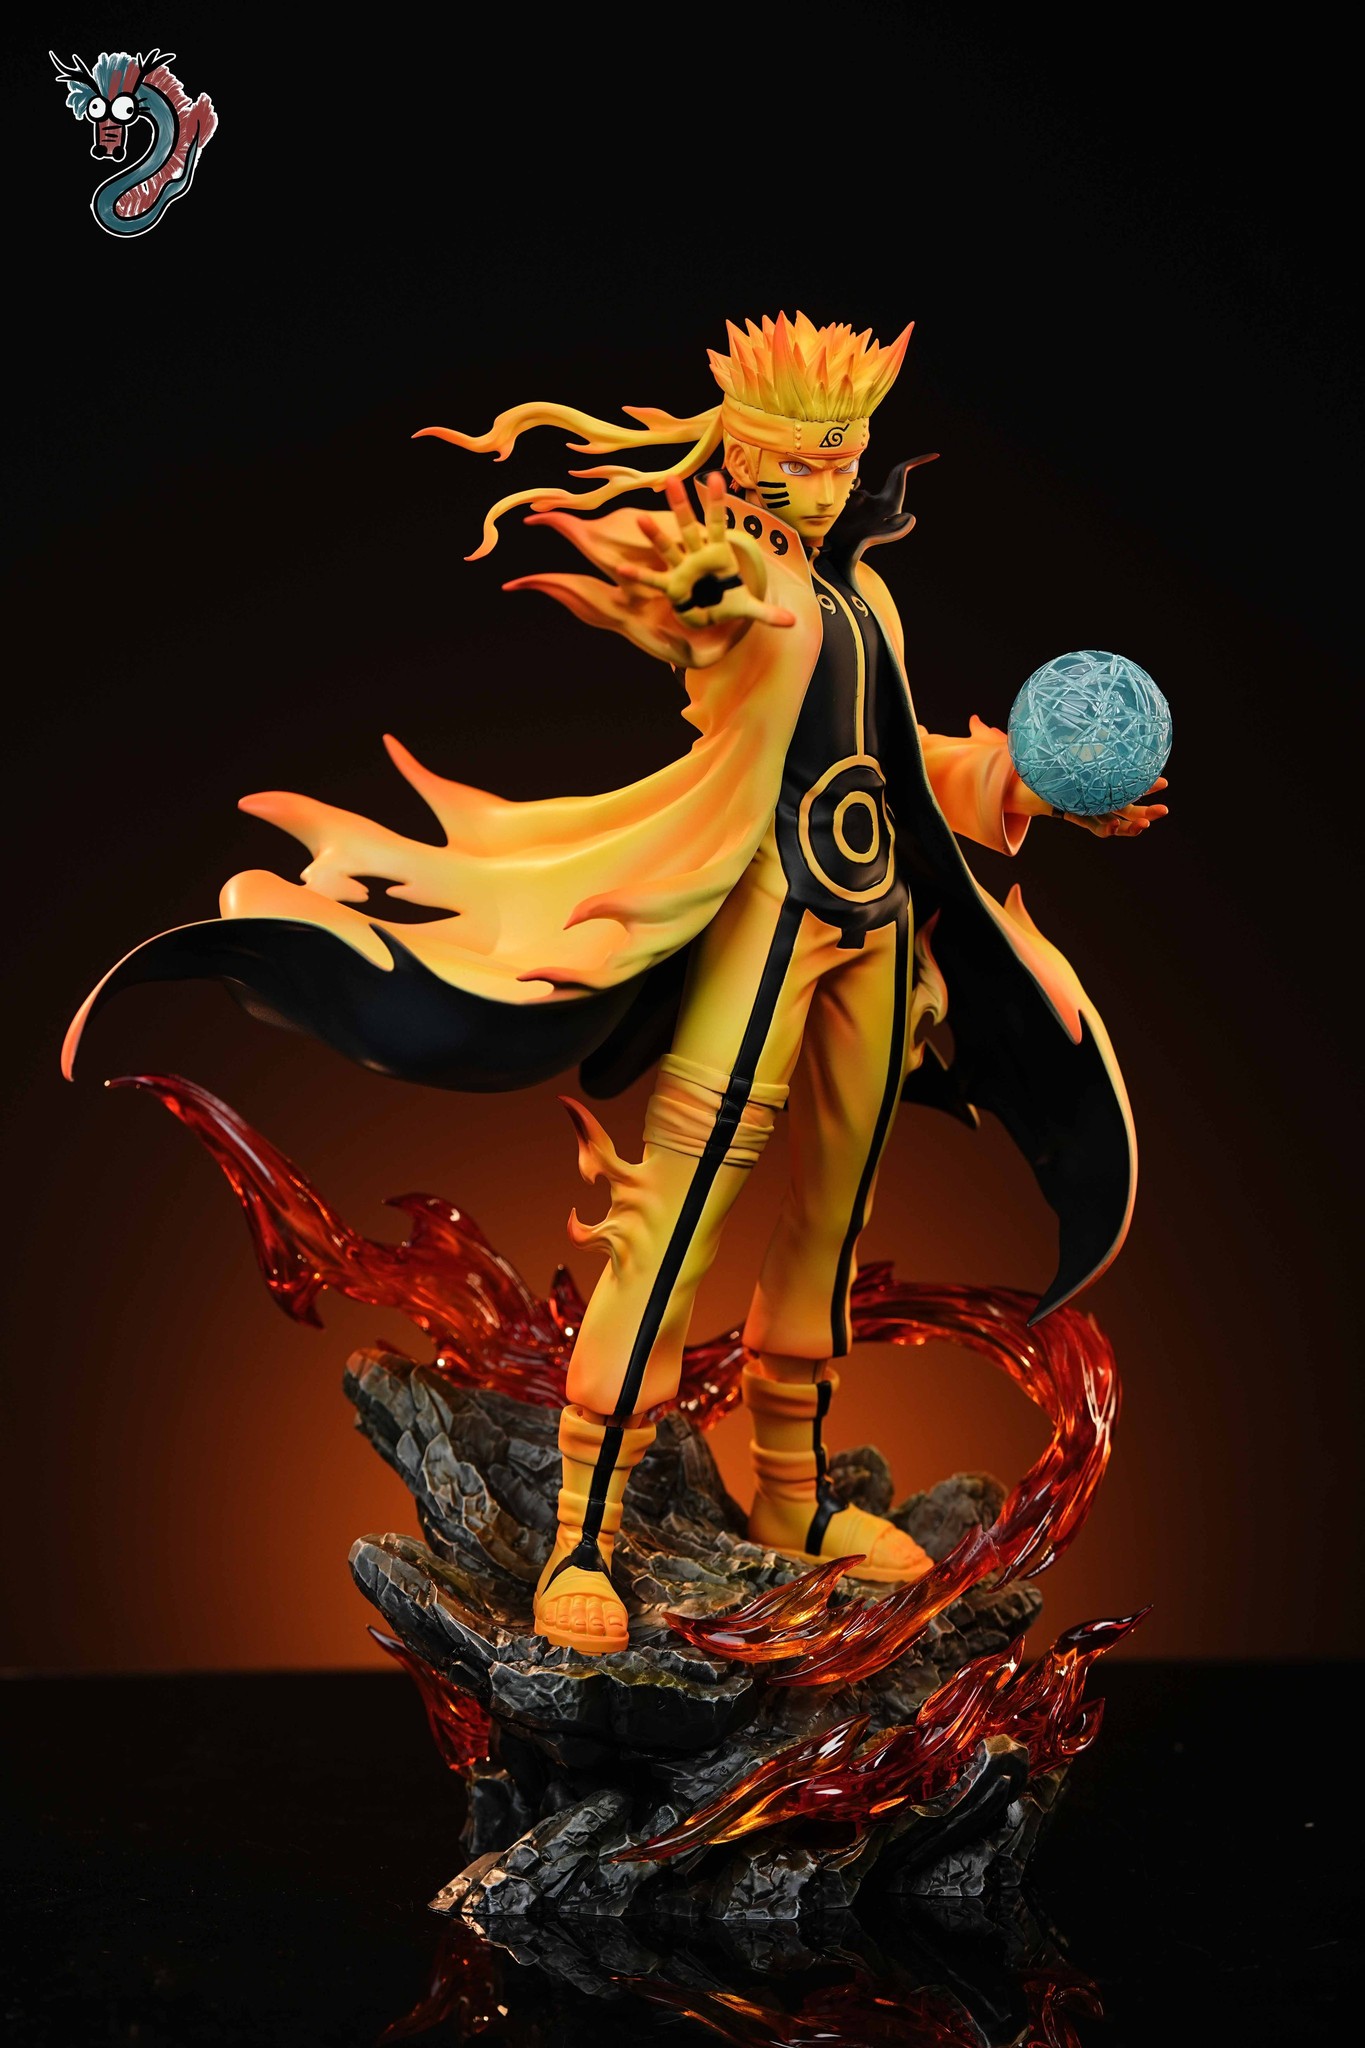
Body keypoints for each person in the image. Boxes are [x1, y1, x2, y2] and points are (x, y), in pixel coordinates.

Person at [64, 313, 1167, 1658]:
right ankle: (584, 1528)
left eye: (841, 461)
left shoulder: (863, 601)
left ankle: (794, 1493)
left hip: (877, 927)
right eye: (797, 464)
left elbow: (894, 758)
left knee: (832, 1215)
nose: (824, 489)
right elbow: (707, 614)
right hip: (765, 919)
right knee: (678, 1206)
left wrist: (1022, 780)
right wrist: (695, 586)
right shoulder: (756, 587)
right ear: (739, 458)